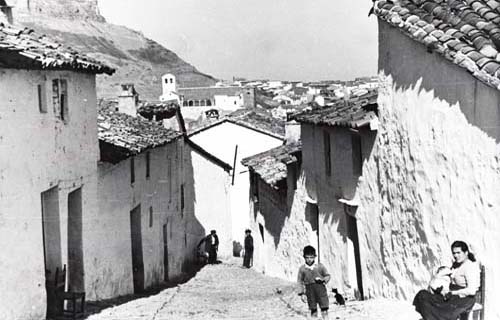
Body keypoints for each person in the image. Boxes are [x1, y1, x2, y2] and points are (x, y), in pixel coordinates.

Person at [413, 241, 480, 320]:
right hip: (451, 295)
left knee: (444, 311)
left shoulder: (469, 267)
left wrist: (452, 293)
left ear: (466, 252)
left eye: (458, 253)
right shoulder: (456, 264)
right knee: (422, 295)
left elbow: (471, 291)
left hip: (464, 299)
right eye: (454, 253)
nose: (455, 255)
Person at [297, 245, 331, 319]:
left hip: (320, 289)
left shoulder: (319, 266)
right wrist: (302, 293)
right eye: (307, 257)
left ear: (315, 257)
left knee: (324, 308)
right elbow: (300, 281)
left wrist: (323, 280)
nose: (309, 259)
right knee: (313, 309)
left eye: (311, 257)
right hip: (309, 291)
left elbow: (327, 275)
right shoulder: (302, 269)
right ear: (304, 257)